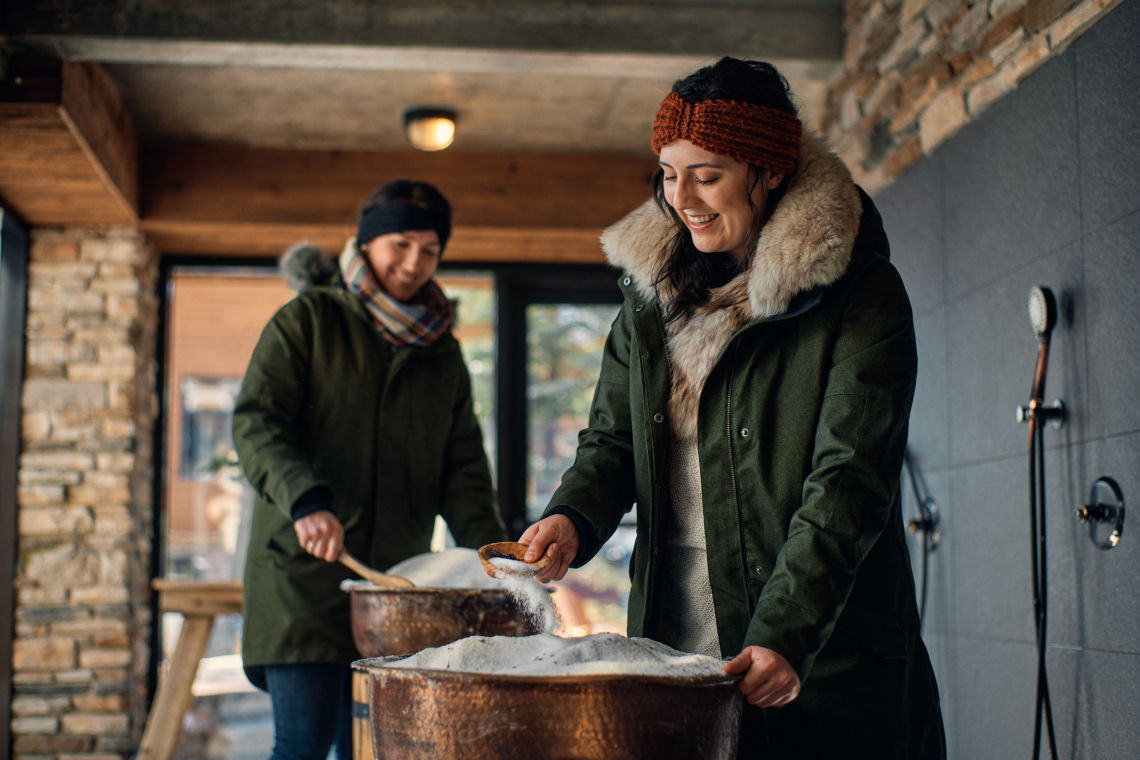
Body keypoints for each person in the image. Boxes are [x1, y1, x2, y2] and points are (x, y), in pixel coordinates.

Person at [520, 58, 946, 758]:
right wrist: (572, 517)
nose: (681, 198)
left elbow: (848, 483)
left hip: (816, 661)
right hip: (676, 655)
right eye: (667, 173)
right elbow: (610, 443)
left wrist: (786, 630)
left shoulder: (861, 295)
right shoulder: (649, 299)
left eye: (707, 174)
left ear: (769, 171)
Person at [232, 179, 507, 760]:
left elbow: (463, 473)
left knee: (372, 749)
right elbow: (258, 423)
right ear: (367, 243)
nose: (413, 264)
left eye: (429, 251)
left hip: (392, 590)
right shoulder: (307, 320)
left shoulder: (443, 355)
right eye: (400, 245)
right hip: (303, 575)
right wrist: (305, 499)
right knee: (302, 745)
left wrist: (494, 561)